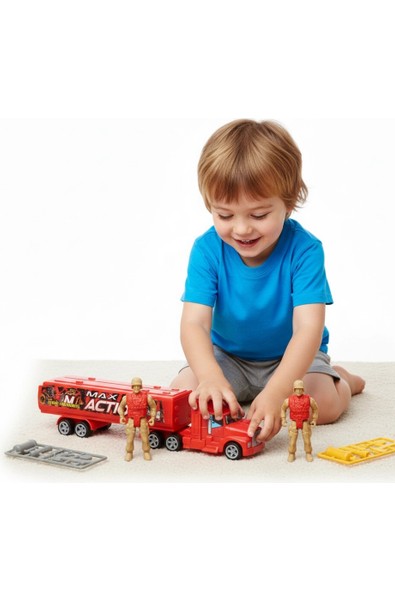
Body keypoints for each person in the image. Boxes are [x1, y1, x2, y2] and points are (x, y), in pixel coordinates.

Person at [171, 119, 365, 443]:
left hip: (292, 359)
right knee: (184, 394)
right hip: (229, 357)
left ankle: (342, 381)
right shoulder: (206, 250)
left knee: (322, 407)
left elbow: (308, 329)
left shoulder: (306, 250)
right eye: (225, 215)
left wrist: (277, 391)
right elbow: (195, 324)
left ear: (289, 203)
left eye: (258, 215)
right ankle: (230, 386)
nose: (242, 229)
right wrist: (209, 377)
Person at [118, 377, 157, 461]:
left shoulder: (147, 397)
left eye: (138, 386)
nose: (136, 388)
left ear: (141, 386)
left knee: (145, 438)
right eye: (134, 386)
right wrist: (121, 416)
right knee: (130, 438)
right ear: (132, 387)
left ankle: (146, 451)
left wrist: (152, 417)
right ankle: (129, 452)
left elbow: (153, 407)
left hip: (142, 419)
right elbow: (120, 407)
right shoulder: (126, 397)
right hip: (131, 419)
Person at [281, 380, 318, 462]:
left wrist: (314, 419)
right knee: (292, 441)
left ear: (303, 389)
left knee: (307, 440)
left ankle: (308, 453)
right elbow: (283, 409)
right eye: (296, 389)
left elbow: (315, 409)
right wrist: (283, 419)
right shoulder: (288, 400)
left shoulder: (309, 399)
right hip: (294, 422)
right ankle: (291, 453)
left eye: (300, 389)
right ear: (294, 389)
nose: (298, 391)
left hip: (305, 422)